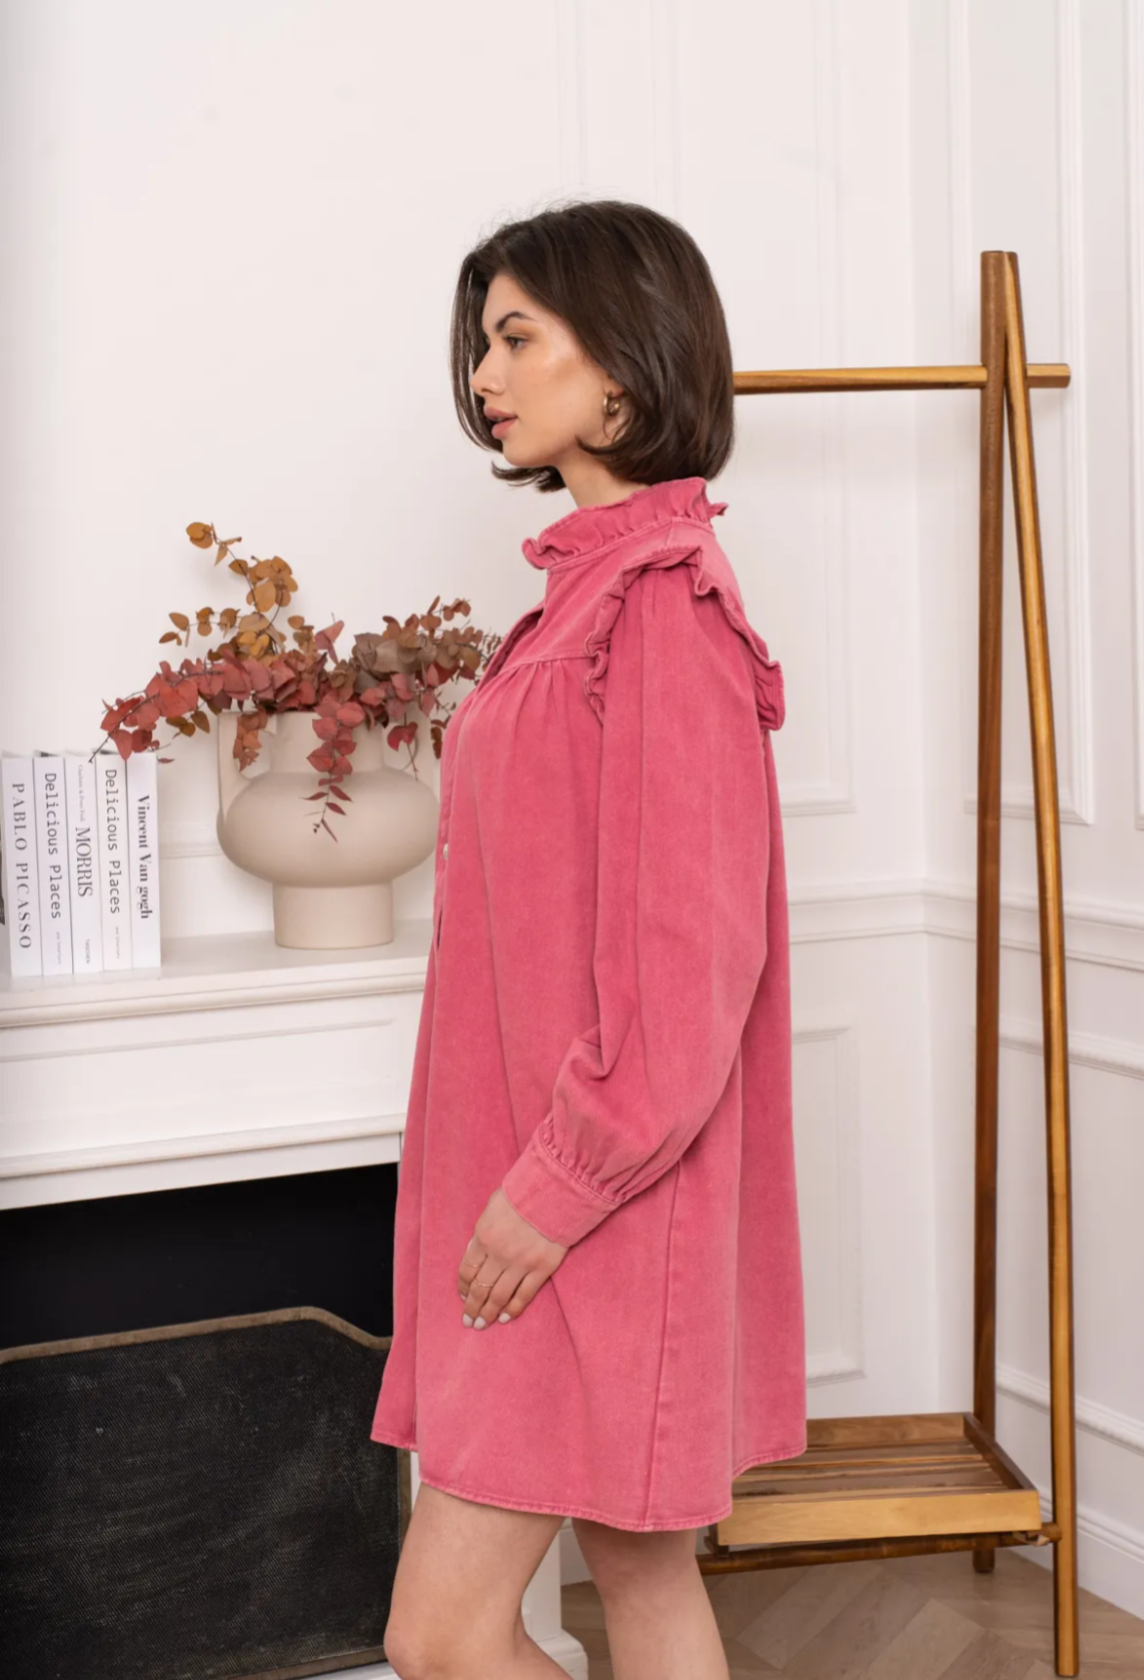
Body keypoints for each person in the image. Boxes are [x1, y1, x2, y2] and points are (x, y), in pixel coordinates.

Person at [372, 199, 807, 1680]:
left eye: (517, 338)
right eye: (481, 342)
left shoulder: (662, 608)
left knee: (439, 1637)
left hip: (593, 1204)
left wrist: (557, 1189)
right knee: (643, 1576)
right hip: (556, 1184)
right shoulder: (581, 599)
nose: (484, 373)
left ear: (619, 365)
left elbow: (693, 968)